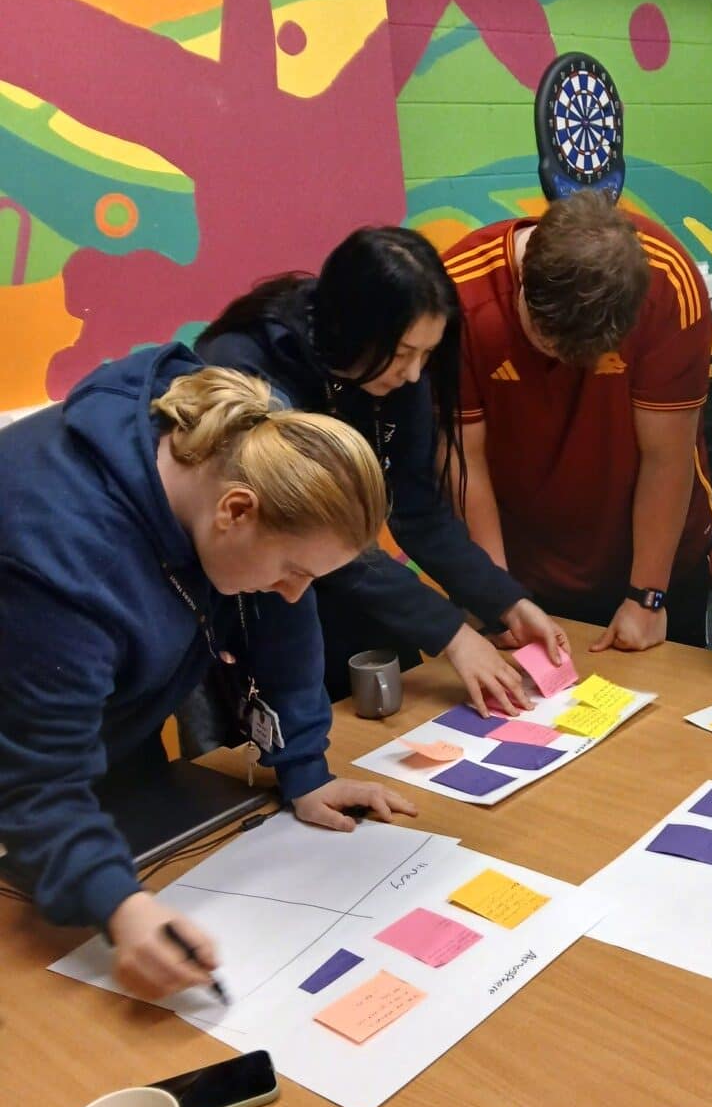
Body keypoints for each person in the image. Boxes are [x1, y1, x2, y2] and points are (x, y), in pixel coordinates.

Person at [0, 345, 417, 1000]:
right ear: (236, 512)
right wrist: (121, 908)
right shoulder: (63, 568)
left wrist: (305, 768)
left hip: (85, 720)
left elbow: (282, 618)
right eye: (292, 570)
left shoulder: (253, 443)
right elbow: (37, 785)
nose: (293, 591)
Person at [196, 227, 566, 716]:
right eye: (404, 354)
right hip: (253, 593)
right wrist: (452, 633)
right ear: (355, 329)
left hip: (340, 578)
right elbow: (311, 536)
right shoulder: (249, 369)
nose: (413, 374)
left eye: (427, 355)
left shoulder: (395, 374)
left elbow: (419, 511)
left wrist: (506, 602)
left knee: (400, 703)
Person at [443, 189, 712, 653]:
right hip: (520, 565)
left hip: (652, 560)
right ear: (523, 282)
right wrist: (496, 598)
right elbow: (464, 465)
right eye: (545, 342)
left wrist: (647, 597)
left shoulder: (669, 282)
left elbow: (667, 457)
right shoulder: (458, 297)